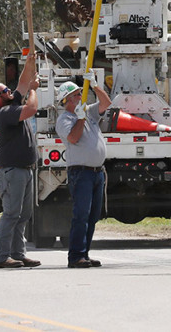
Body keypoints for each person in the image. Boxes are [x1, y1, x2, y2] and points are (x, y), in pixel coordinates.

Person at [0, 56, 42, 269]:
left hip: (24, 170)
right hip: (11, 171)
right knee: (11, 214)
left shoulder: (11, 103)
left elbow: (21, 83)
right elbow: (31, 109)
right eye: (4, 92)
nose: (10, 92)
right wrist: (34, 90)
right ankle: (1, 257)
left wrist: (30, 63)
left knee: (23, 215)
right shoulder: (4, 113)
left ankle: (18, 254)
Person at [55, 79, 112, 268]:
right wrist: (80, 118)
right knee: (81, 214)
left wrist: (95, 85)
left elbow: (106, 104)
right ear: (68, 101)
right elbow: (73, 137)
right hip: (81, 173)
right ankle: (76, 256)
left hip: (96, 173)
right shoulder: (64, 120)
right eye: (77, 95)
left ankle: (84, 254)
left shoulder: (89, 113)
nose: (82, 96)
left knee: (92, 216)